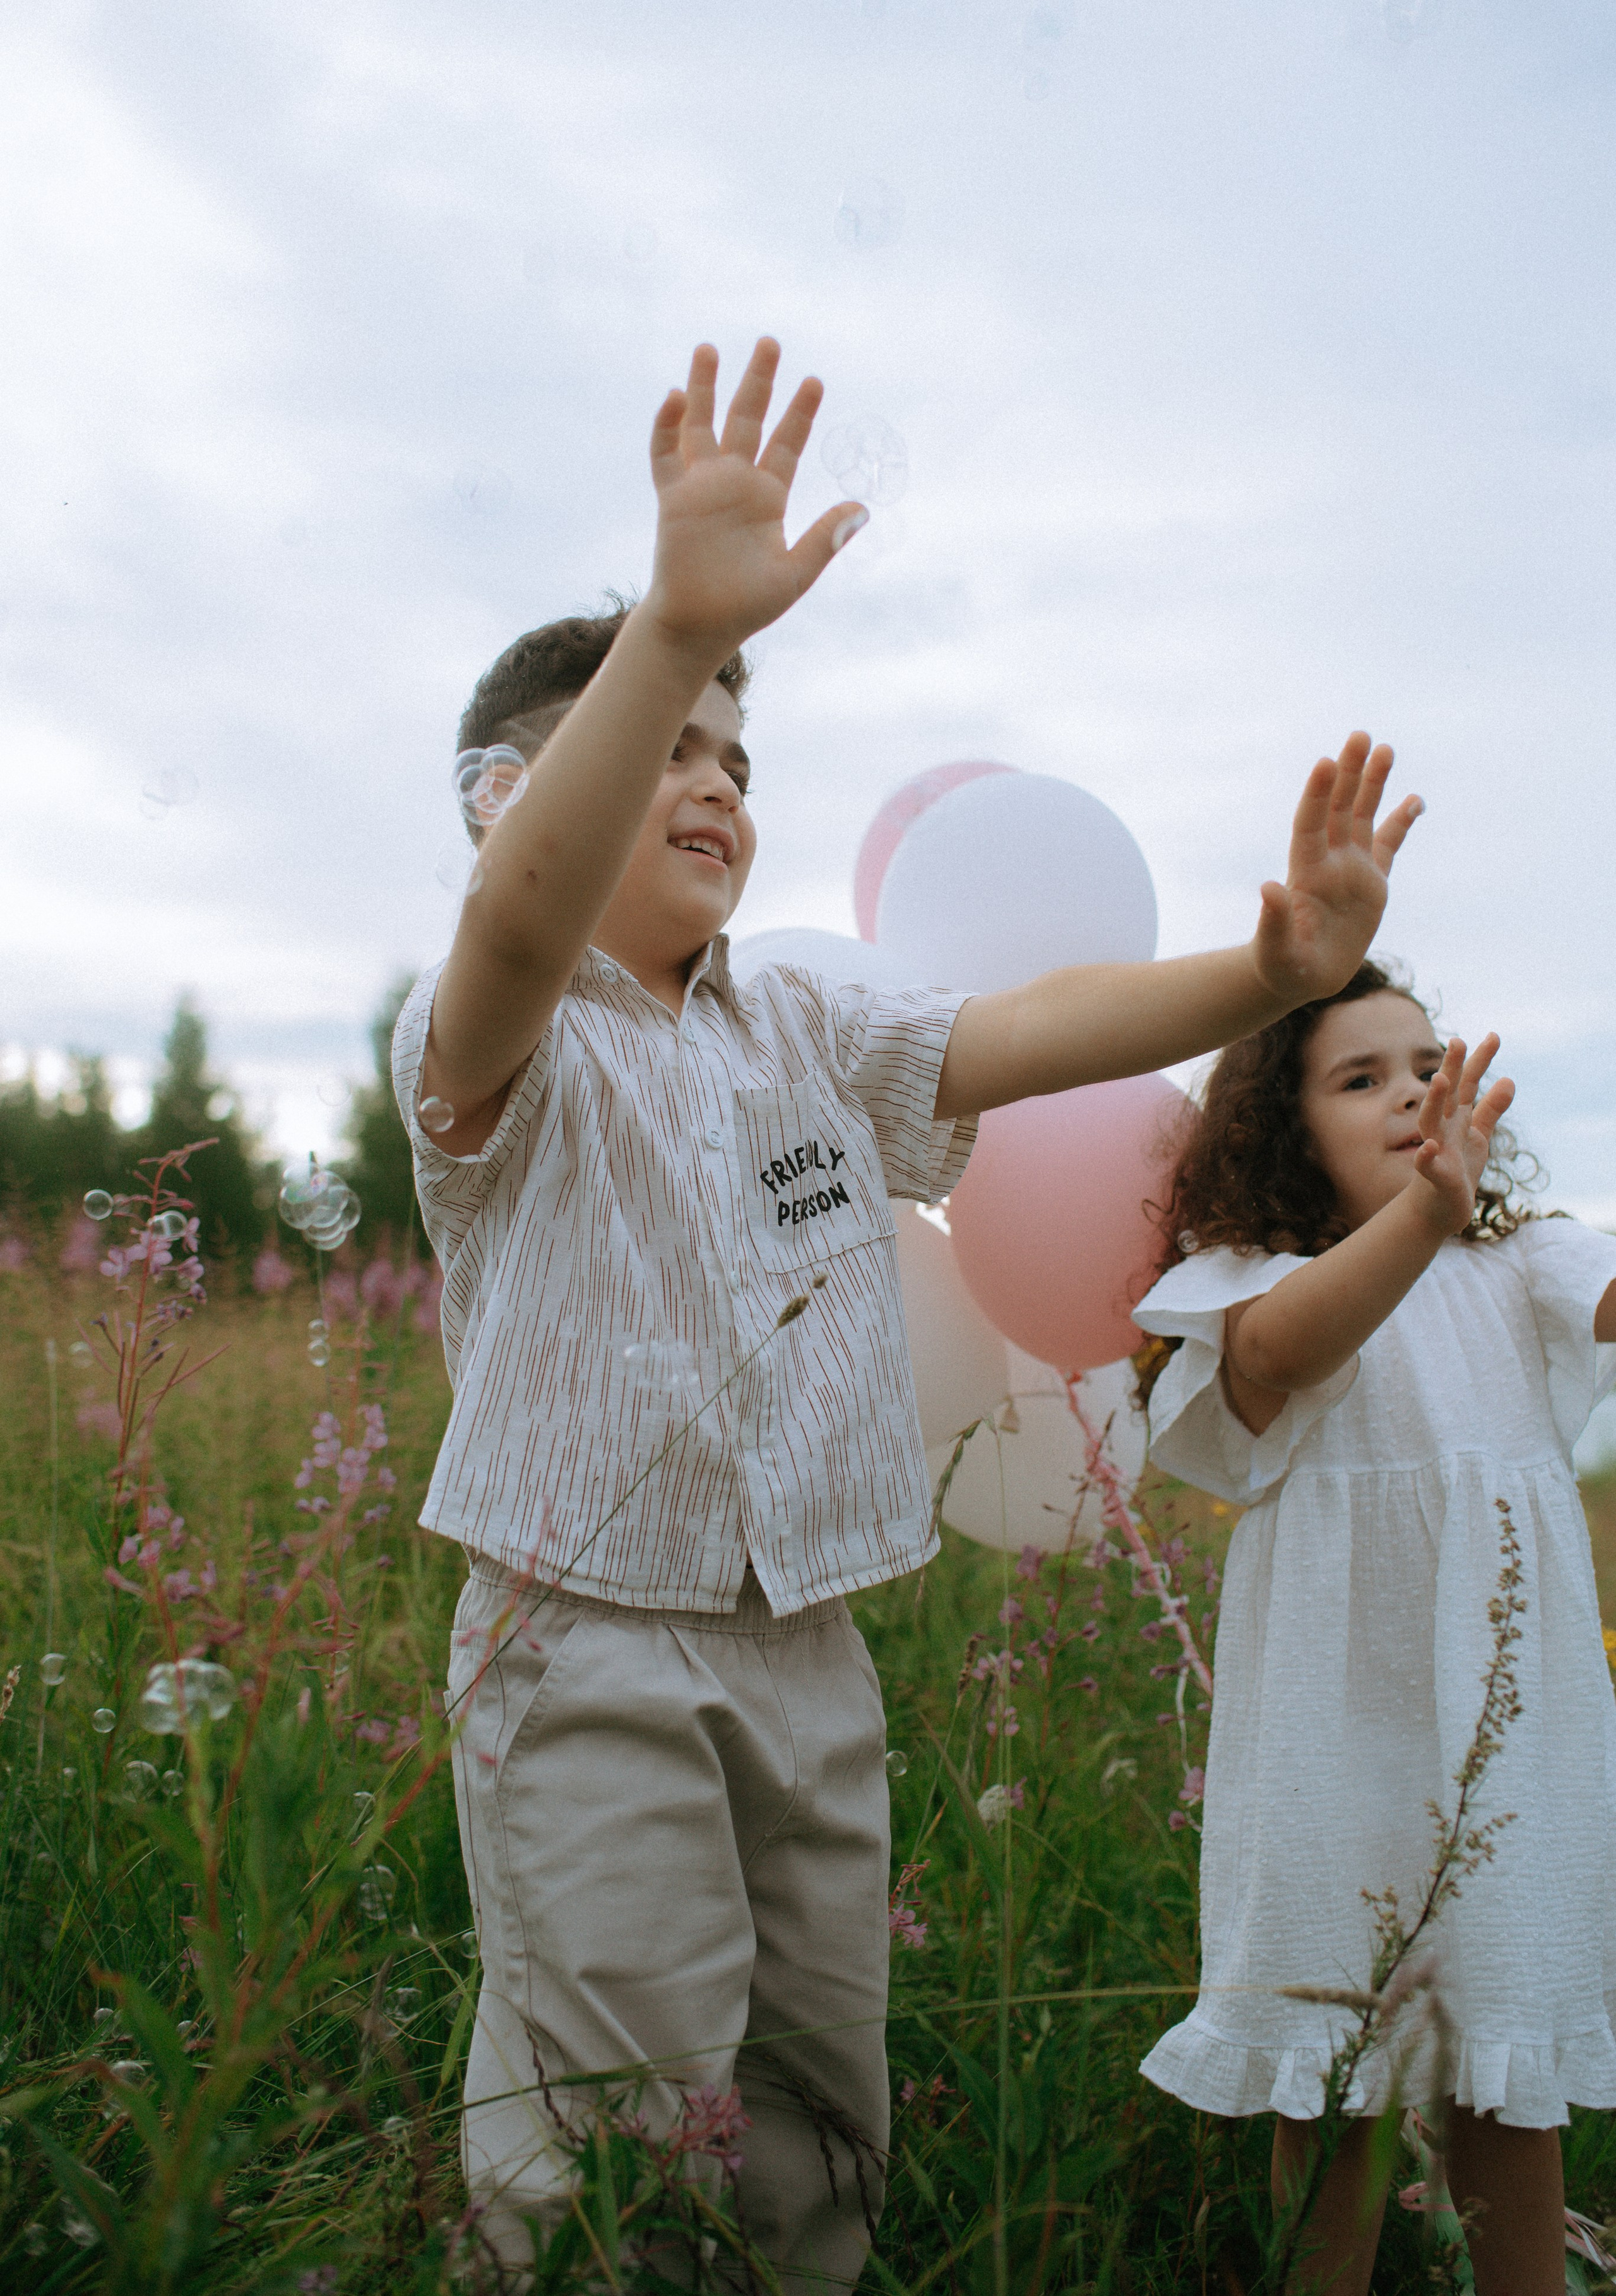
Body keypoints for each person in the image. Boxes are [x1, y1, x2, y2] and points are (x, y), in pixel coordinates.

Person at [391, 333, 1422, 2289]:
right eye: (668, 740)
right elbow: (523, 914)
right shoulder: (502, 1041)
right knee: (618, 2127)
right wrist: (679, 622)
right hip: (584, 1643)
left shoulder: (804, 1020)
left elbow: (1021, 1030)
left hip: (809, 1646)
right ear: (518, 795)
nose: (712, 781)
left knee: (813, 2121)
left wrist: (1268, 966)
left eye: (734, 757)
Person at [1131, 960, 1616, 2296]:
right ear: (1284, 1128)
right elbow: (1280, 1356)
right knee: (1328, 2078)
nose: (1411, 1092)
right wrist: (1418, 1214)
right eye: (1361, 1078)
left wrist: (1449, 1214)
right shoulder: (1253, 1275)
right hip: (1328, 1742)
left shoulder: (1517, 1259)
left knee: (1504, 2076)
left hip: (1505, 1732)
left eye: (1423, 1064)